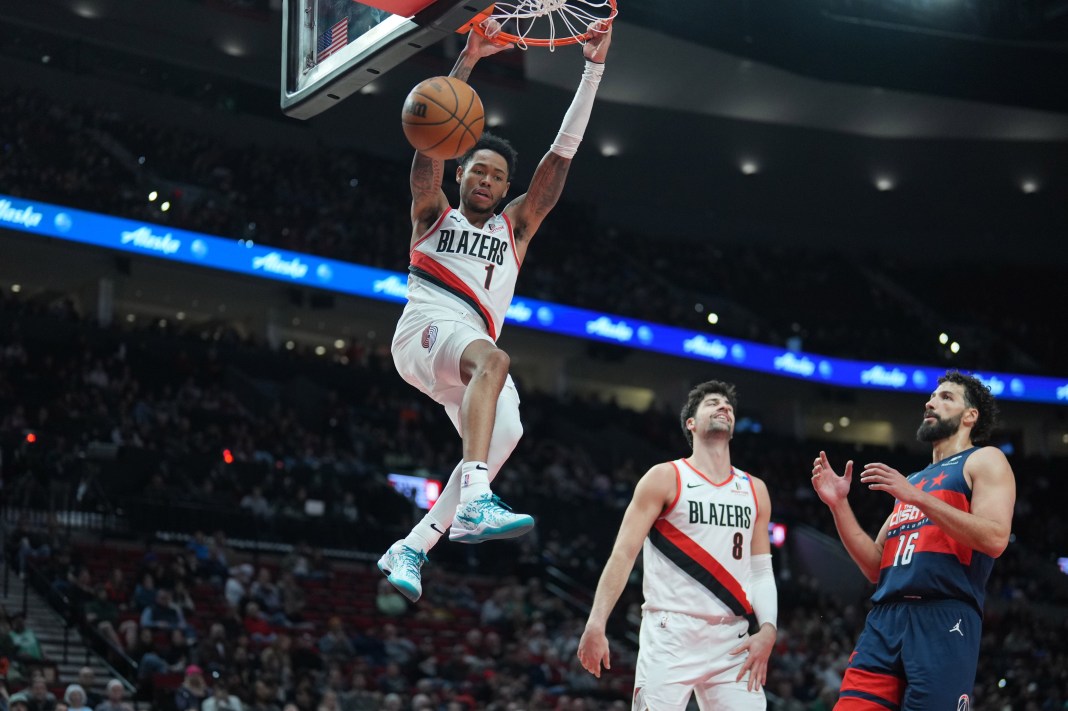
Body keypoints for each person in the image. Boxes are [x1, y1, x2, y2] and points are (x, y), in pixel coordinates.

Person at [378, 17, 613, 603]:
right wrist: (468, 61)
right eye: (478, 169)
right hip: (427, 330)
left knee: (508, 429)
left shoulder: (517, 227)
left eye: (498, 175)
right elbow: (431, 137)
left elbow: (560, 156)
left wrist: (593, 68)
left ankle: (412, 547)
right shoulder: (434, 214)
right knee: (496, 361)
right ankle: (478, 497)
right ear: (462, 172)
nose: (487, 179)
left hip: (464, 349)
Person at [810, 370, 1016, 709]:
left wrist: (916, 497)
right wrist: (839, 505)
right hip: (885, 618)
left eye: (946, 397)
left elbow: (995, 538)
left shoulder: (984, 459)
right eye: (932, 397)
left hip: (944, 617)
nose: (931, 402)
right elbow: (877, 567)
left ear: (970, 416)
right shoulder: (914, 481)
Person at [577, 381, 778, 709]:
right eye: (713, 403)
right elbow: (623, 554)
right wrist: (596, 623)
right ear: (691, 423)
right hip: (671, 632)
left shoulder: (756, 489)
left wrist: (768, 628)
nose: (723, 407)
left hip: (733, 637)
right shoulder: (665, 477)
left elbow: (761, 570)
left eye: (727, 405)